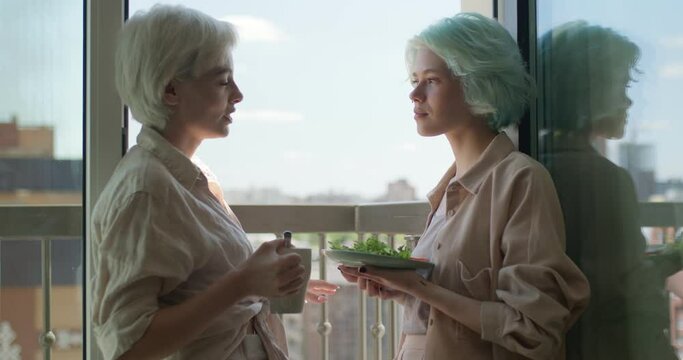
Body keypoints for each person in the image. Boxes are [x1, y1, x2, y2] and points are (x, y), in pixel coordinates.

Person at [90, 5, 338, 360]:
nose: (238, 95)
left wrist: (264, 287)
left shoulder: (192, 177)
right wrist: (244, 283)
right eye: (223, 81)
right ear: (171, 90)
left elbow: (199, 289)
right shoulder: (147, 190)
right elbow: (130, 346)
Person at [339, 13, 590, 359]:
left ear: (478, 85)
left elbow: (533, 330)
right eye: (414, 79)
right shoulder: (448, 191)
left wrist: (421, 288)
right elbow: (450, 309)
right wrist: (404, 291)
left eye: (431, 80)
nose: (414, 94)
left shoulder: (520, 180)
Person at [538, 20, 678, 359]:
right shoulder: (601, 178)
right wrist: (675, 256)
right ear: (589, 91)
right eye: (622, 86)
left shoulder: (531, 164)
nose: (628, 102)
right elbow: (625, 294)